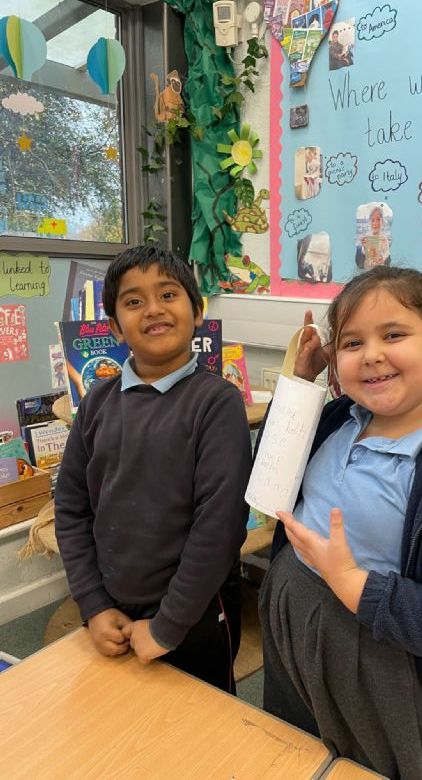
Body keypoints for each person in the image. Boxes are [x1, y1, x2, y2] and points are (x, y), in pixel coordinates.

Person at [257, 266, 422, 778]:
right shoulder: (339, 417)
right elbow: (269, 476)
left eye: (394, 335)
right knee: (291, 755)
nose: (372, 354)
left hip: (374, 661)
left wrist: (354, 583)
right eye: (352, 342)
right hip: (291, 624)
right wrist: (300, 383)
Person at [55, 245, 252, 693]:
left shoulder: (216, 403)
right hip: (113, 605)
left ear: (197, 311)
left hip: (196, 612)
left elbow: (220, 526)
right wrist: (92, 603)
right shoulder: (97, 403)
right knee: (122, 714)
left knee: (199, 721)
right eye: (134, 301)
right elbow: (70, 508)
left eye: (167, 294)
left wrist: (168, 625)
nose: (153, 310)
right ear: (114, 326)